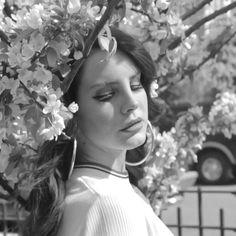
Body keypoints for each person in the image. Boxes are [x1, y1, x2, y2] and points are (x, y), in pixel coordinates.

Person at [22, 27, 174, 236]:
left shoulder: (91, 191)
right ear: (68, 113)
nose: (131, 102)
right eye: (106, 95)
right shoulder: (106, 202)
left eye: (136, 85)